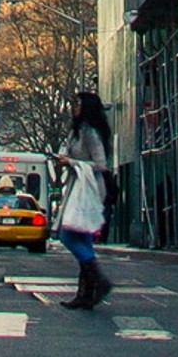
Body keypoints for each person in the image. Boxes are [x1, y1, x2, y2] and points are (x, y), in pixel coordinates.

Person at [56, 91, 114, 310]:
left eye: (77, 103)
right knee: (83, 237)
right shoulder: (77, 131)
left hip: (88, 190)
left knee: (68, 234)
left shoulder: (90, 132)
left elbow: (101, 164)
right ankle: (85, 293)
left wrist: (71, 162)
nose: (74, 107)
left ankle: (98, 278)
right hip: (79, 186)